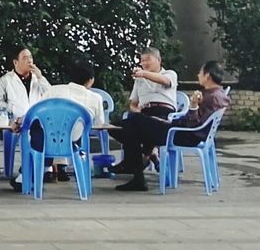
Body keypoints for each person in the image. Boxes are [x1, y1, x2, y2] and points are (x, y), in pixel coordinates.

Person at [110, 60, 230, 191]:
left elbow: (194, 124)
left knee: (134, 121)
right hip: (182, 131)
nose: (198, 75)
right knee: (133, 127)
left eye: (200, 73)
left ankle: (134, 166)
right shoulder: (216, 95)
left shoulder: (212, 97)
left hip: (183, 136)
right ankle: (140, 167)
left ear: (208, 76)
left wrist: (194, 105)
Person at [43, 61, 106, 181]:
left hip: (46, 140)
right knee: (77, 128)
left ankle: (42, 169)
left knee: (45, 128)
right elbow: (99, 124)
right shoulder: (96, 98)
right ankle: (61, 168)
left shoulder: (53, 90)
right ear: (91, 80)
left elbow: (36, 112)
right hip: (73, 141)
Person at [0, 46, 51, 124]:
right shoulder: (6, 80)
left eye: (30, 57)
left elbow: (50, 96)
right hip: (15, 127)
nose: (29, 61)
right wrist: (11, 111)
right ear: (15, 62)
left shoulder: (38, 79)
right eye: (25, 58)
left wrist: (40, 77)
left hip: (38, 124)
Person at [128, 47, 178, 119]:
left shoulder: (170, 73)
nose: (145, 63)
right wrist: (136, 110)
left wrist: (143, 73)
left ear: (159, 60)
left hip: (163, 112)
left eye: (148, 59)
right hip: (143, 113)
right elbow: (133, 104)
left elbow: (165, 81)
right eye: (142, 60)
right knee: (115, 127)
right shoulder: (140, 79)